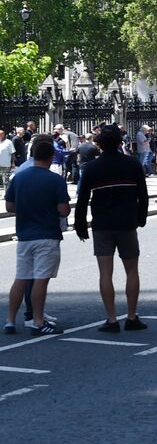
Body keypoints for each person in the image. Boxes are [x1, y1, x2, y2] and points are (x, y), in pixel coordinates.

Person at [74, 125, 149, 332]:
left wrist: (80, 225)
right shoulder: (132, 164)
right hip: (127, 223)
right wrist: (141, 218)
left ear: (99, 145)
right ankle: (132, 316)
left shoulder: (92, 168)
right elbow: (142, 195)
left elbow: (82, 199)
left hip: (102, 225)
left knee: (105, 273)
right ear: (119, 142)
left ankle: (112, 319)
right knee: (132, 270)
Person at [4, 136, 69, 337]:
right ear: (50, 157)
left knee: (21, 278)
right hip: (47, 234)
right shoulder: (56, 180)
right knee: (41, 279)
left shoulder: (19, 177)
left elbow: (9, 206)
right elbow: (64, 210)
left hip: (24, 234)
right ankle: (38, 321)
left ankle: (10, 321)